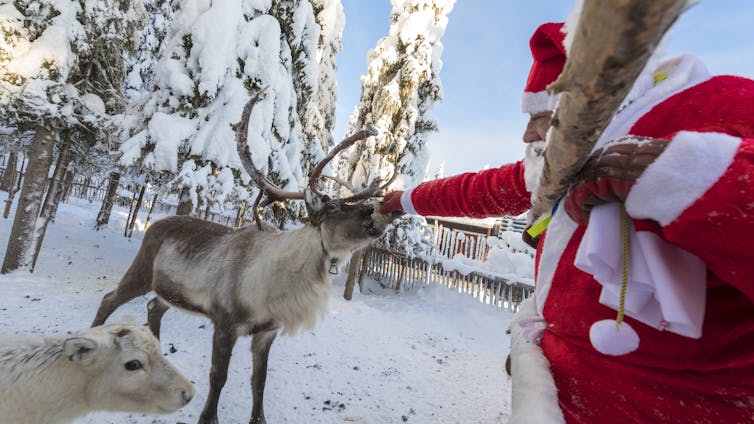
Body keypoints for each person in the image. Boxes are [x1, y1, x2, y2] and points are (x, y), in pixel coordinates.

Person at [380, 22, 754, 423]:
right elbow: (480, 189)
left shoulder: (720, 106)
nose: (527, 133)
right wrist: (401, 201)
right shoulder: (566, 164)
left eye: (539, 116)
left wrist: (679, 174)